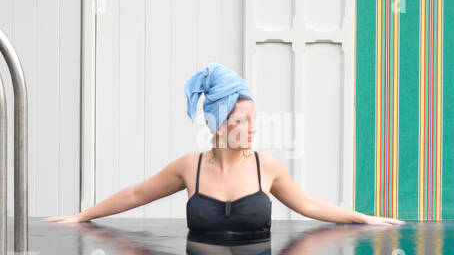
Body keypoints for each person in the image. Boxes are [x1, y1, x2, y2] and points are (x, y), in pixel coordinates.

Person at [45, 62, 403, 237]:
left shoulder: (268, 166)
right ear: (218, 124)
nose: (252, 129)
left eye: (254, 119)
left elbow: (308, 204)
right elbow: (138, 193)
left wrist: (363, 217)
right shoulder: (191, 167)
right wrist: (82, 216)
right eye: (241, 121)